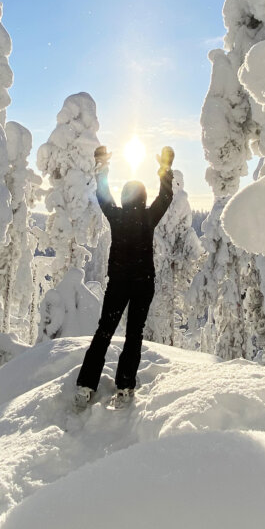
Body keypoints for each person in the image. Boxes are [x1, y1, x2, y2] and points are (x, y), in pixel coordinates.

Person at [73, 144, 175, 409]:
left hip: (118, 283)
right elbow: (165, 197)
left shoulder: (117, 216)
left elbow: (102, 193)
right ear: (142, 197)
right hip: (143, 284)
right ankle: (124, 388)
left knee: (104, 332)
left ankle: (86, 386)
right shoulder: (148, 217)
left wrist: (102, 166)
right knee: (134, 334)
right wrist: (165, 169)